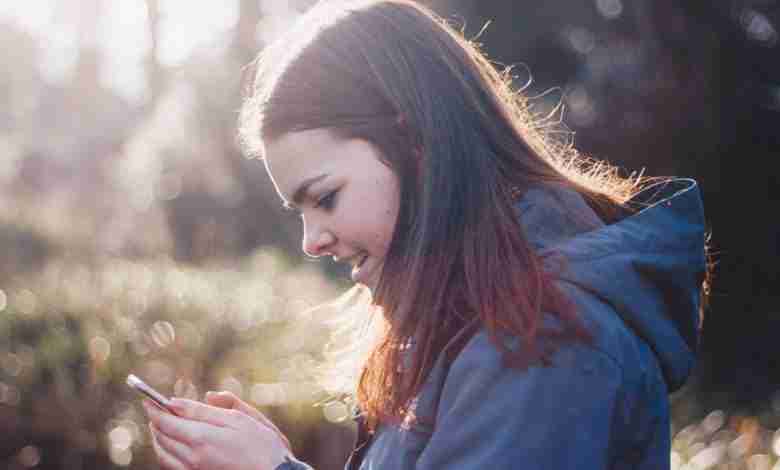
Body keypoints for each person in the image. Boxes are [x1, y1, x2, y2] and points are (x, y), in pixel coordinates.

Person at [142, 0, 711, 469]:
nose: (311, 240)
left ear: (417, 146)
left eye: (325, 197)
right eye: (300, 211)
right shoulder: (477, 318)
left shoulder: (542, 341)